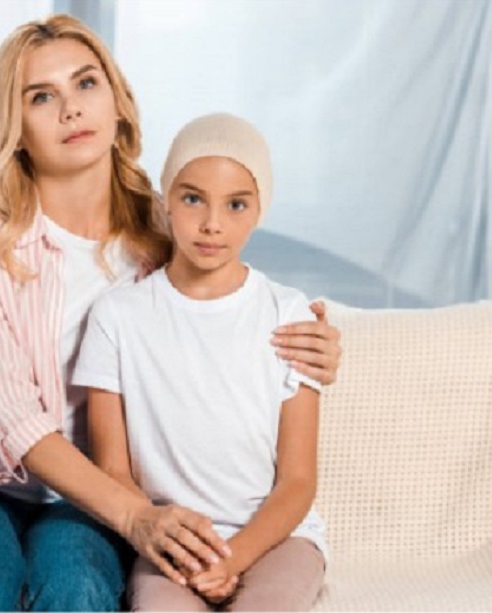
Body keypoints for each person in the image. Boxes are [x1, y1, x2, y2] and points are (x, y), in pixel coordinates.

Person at [0, 14, 341, 613]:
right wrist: (138, 517)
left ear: (118, 103)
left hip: (93, 493)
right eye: (42, 96)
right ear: (17, 128)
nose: (71, 109)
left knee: (79, 589)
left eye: (86, 83)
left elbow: (229, 300)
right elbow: (12, 420)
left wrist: (314, 342)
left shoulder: (164, 227)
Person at [74, 113, 328, 611]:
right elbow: (113, 468)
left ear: (259, 210)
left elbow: (298, 481)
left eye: (236, 204)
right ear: (166, 200)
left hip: (277, 538)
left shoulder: (288, 314)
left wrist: (235, 558)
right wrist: (174, 542)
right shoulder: (117, 316)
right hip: (170, 541)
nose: (213, 223)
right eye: (193, 199)